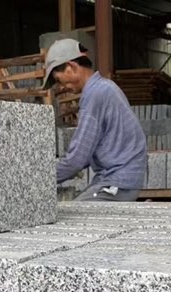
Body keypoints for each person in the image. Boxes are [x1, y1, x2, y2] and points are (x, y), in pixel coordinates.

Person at [44, 38, 147, 202]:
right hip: (118, 178)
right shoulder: (104, 87)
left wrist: (39, 180)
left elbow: (77, 159)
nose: (61, 86)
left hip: (117, 181)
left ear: (71, 66)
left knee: (69, 216)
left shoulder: (95, 95)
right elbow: (84, 154)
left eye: (58, 79)